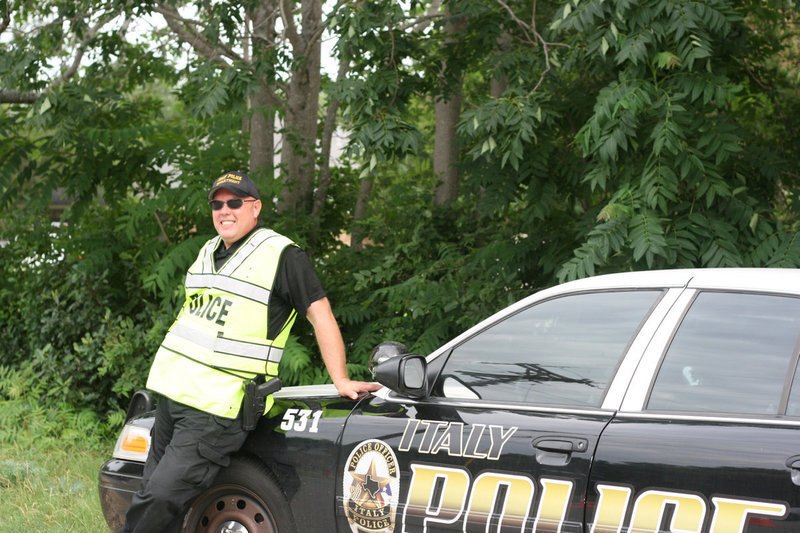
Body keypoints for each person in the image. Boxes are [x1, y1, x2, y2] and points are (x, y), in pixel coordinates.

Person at [120, 170, 380, 533]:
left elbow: (320, 314)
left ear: (254, 207)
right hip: (172, 397)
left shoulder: (282, 255)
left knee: (160, 498)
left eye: (234, 202)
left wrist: (339, 378)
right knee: (155, 497)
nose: (224, 210)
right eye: (217, 203)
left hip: (215, 408)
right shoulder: (208, 251)